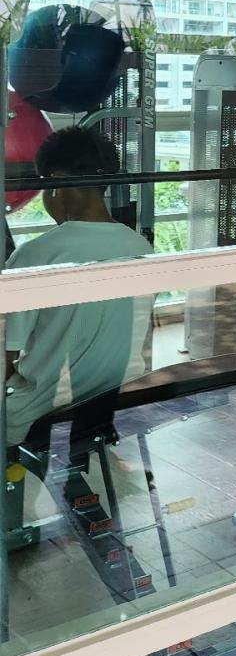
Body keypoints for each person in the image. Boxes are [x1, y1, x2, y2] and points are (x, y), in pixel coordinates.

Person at [4, 126, 153, 451]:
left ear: (55, 183)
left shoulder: (35, 255)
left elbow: (5, 354)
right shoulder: (141, 248)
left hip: (37, 417)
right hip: (114, 409)